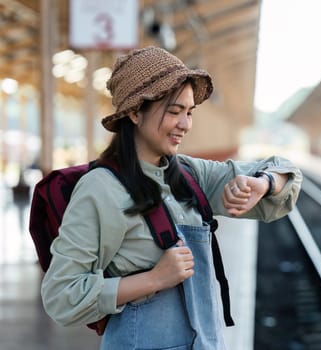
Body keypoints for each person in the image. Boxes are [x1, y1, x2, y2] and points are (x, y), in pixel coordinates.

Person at [40, 46, 302, 349]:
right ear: (135, 112)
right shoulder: (100, 189)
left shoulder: (191, 175)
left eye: (189, 112)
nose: (185, 124)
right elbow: (61, 295)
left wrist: (264, 184)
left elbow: (285, 170)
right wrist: (154, 279)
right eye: (174, 111)